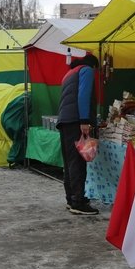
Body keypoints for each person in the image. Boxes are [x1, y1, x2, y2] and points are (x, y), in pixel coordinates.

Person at [56, 53, 99, 215]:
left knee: (69, 163)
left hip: (65, 121)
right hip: (76, 121)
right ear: (93, 66)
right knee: (78, 163)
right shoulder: (87, 70)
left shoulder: (69, 73)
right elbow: (83, 95)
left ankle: (71, 198)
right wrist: (84, 120)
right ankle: (78, 202)